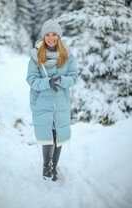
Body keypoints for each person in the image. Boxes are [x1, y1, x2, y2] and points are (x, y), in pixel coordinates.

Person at [26, 19, 78, 181]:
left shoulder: (68, 56)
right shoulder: (36, 57)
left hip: (60, 103)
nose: (51, 38)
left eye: (54, 34)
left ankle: (53, 167)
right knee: (47, 135)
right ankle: (46, 167)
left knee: (59, 135)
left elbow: (74, 77)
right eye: (47, 35)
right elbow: (31, 80)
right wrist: (47, 82)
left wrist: (61, 80)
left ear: (58, 36)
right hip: (43, 102)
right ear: (44, 36)